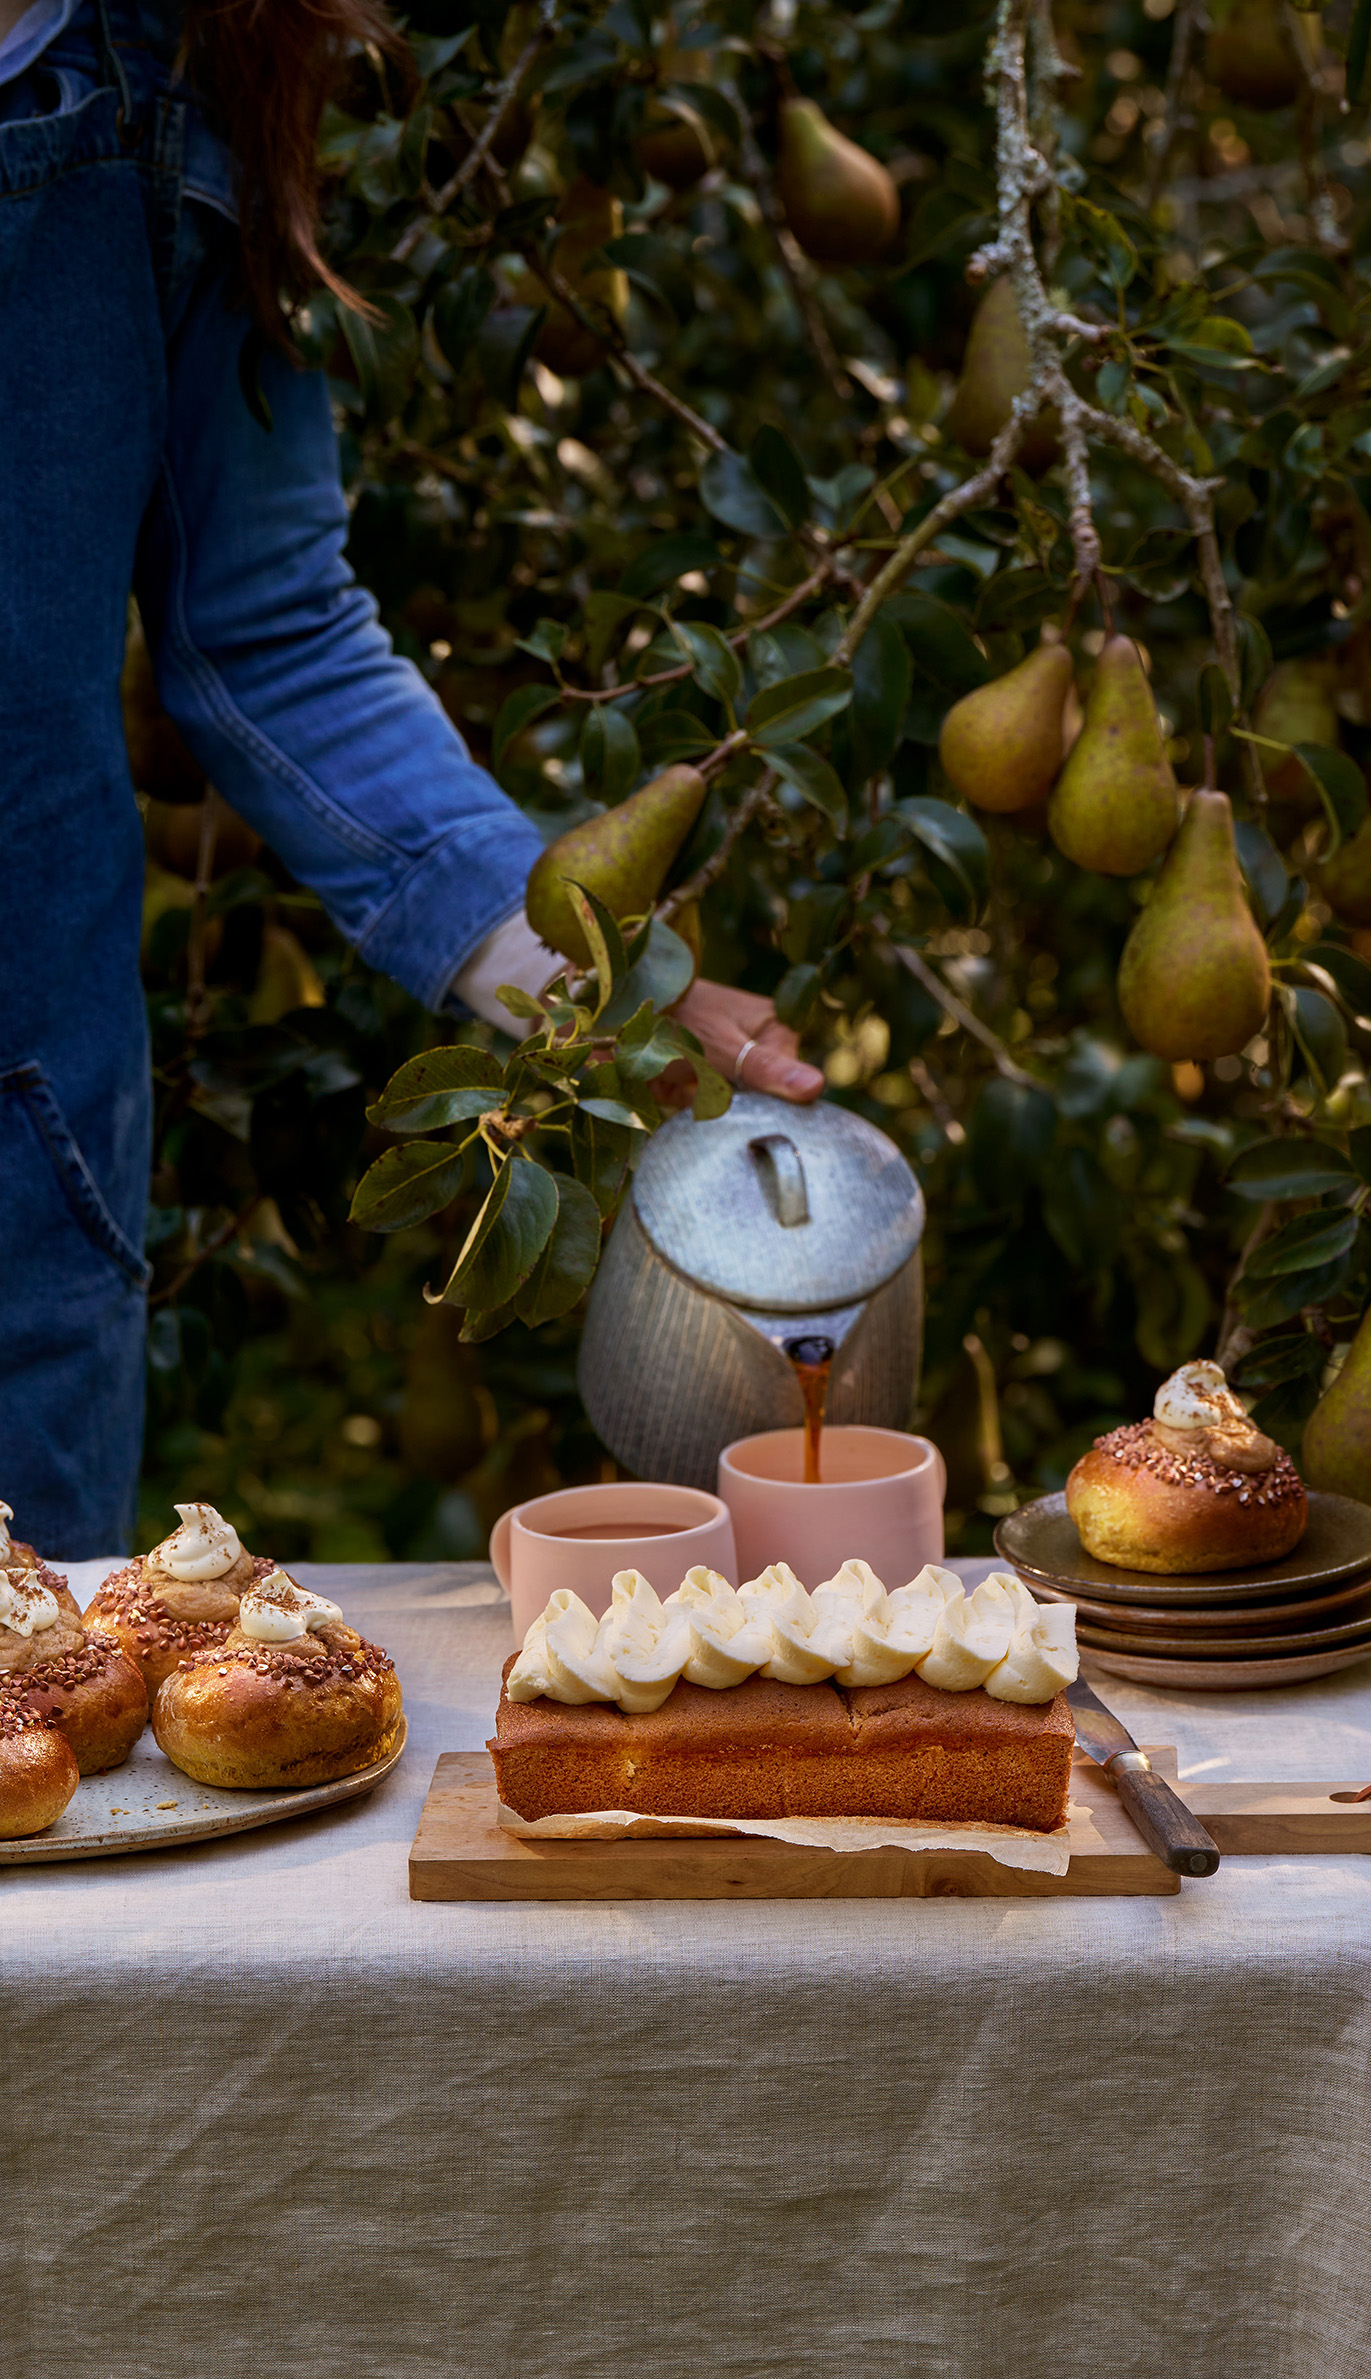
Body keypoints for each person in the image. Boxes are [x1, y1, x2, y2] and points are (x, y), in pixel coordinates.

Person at [0, 0, 822, 1560]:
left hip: (17, 1140)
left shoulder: (165, 78)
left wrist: (578, 991)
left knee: (37, 1753)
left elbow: (269, 630)